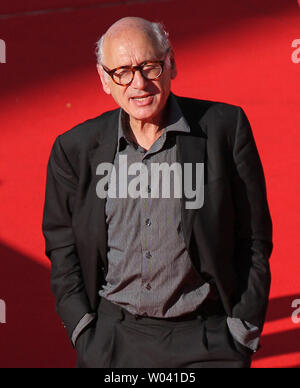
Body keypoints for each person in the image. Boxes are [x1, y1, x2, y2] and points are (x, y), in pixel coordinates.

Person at [42, 17, 273, 368]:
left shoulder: (225, 128)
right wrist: (82, 329)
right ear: (105, 78)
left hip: (207, 338)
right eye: (122, 71)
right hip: (113, 340)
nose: (139, 83)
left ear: (171, 63)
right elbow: (62, 246)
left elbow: (255, 236)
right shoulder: (74, 149)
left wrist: (242, 329)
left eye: (149, 67)